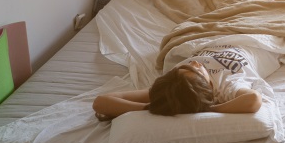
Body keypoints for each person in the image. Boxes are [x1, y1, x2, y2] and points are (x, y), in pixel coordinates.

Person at [93, 51, 263, 121]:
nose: (195, 62)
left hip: (204, 40)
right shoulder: (225, 84)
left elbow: (100, 101)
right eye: (196, 69)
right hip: (243, 39)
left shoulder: (173, 88)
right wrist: (209, 109)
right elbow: (253, 100)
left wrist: (155, 106)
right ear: (207, 86)